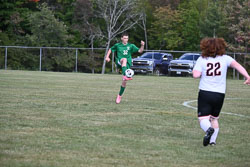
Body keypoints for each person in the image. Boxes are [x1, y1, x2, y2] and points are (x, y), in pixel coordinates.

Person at [193, 38, 250, 146]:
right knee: (214, 118)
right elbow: (238, 66)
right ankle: (213, 142)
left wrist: (195, 71)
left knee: (203, 119)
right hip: (220, 94)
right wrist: (248, 77)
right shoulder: (226, 58)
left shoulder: (202, 59)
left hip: (205, 92)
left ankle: (209, 130)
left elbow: (196, 75)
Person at [105, 32, 145, 104]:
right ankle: (125, 75)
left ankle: (119, 96)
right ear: (121, 38)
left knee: (124, 83)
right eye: (125, 38)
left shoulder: (131, 46)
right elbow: (110, 49)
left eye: (127, 38)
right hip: (120, 61)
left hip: (127, 65)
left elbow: (140, 51)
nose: (126, 39)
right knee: (124, 59)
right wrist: (107, 57)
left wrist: (142, 45)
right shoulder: (118, 45)